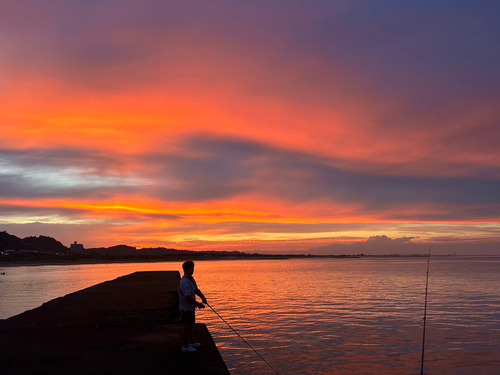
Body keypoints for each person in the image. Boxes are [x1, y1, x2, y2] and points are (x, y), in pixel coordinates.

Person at [178, 260, 207, 353]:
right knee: (187, 327)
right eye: (190, 268)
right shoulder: (185, 282)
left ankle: (191, 342)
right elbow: (188, 298)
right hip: (186, 309)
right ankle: (185, 346)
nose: (192, 270)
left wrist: (202, 297)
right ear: (185, 269)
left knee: (191, 326)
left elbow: (195, 289)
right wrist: (198, 304)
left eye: (193, 268)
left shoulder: (191, 279)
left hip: (190, 308)